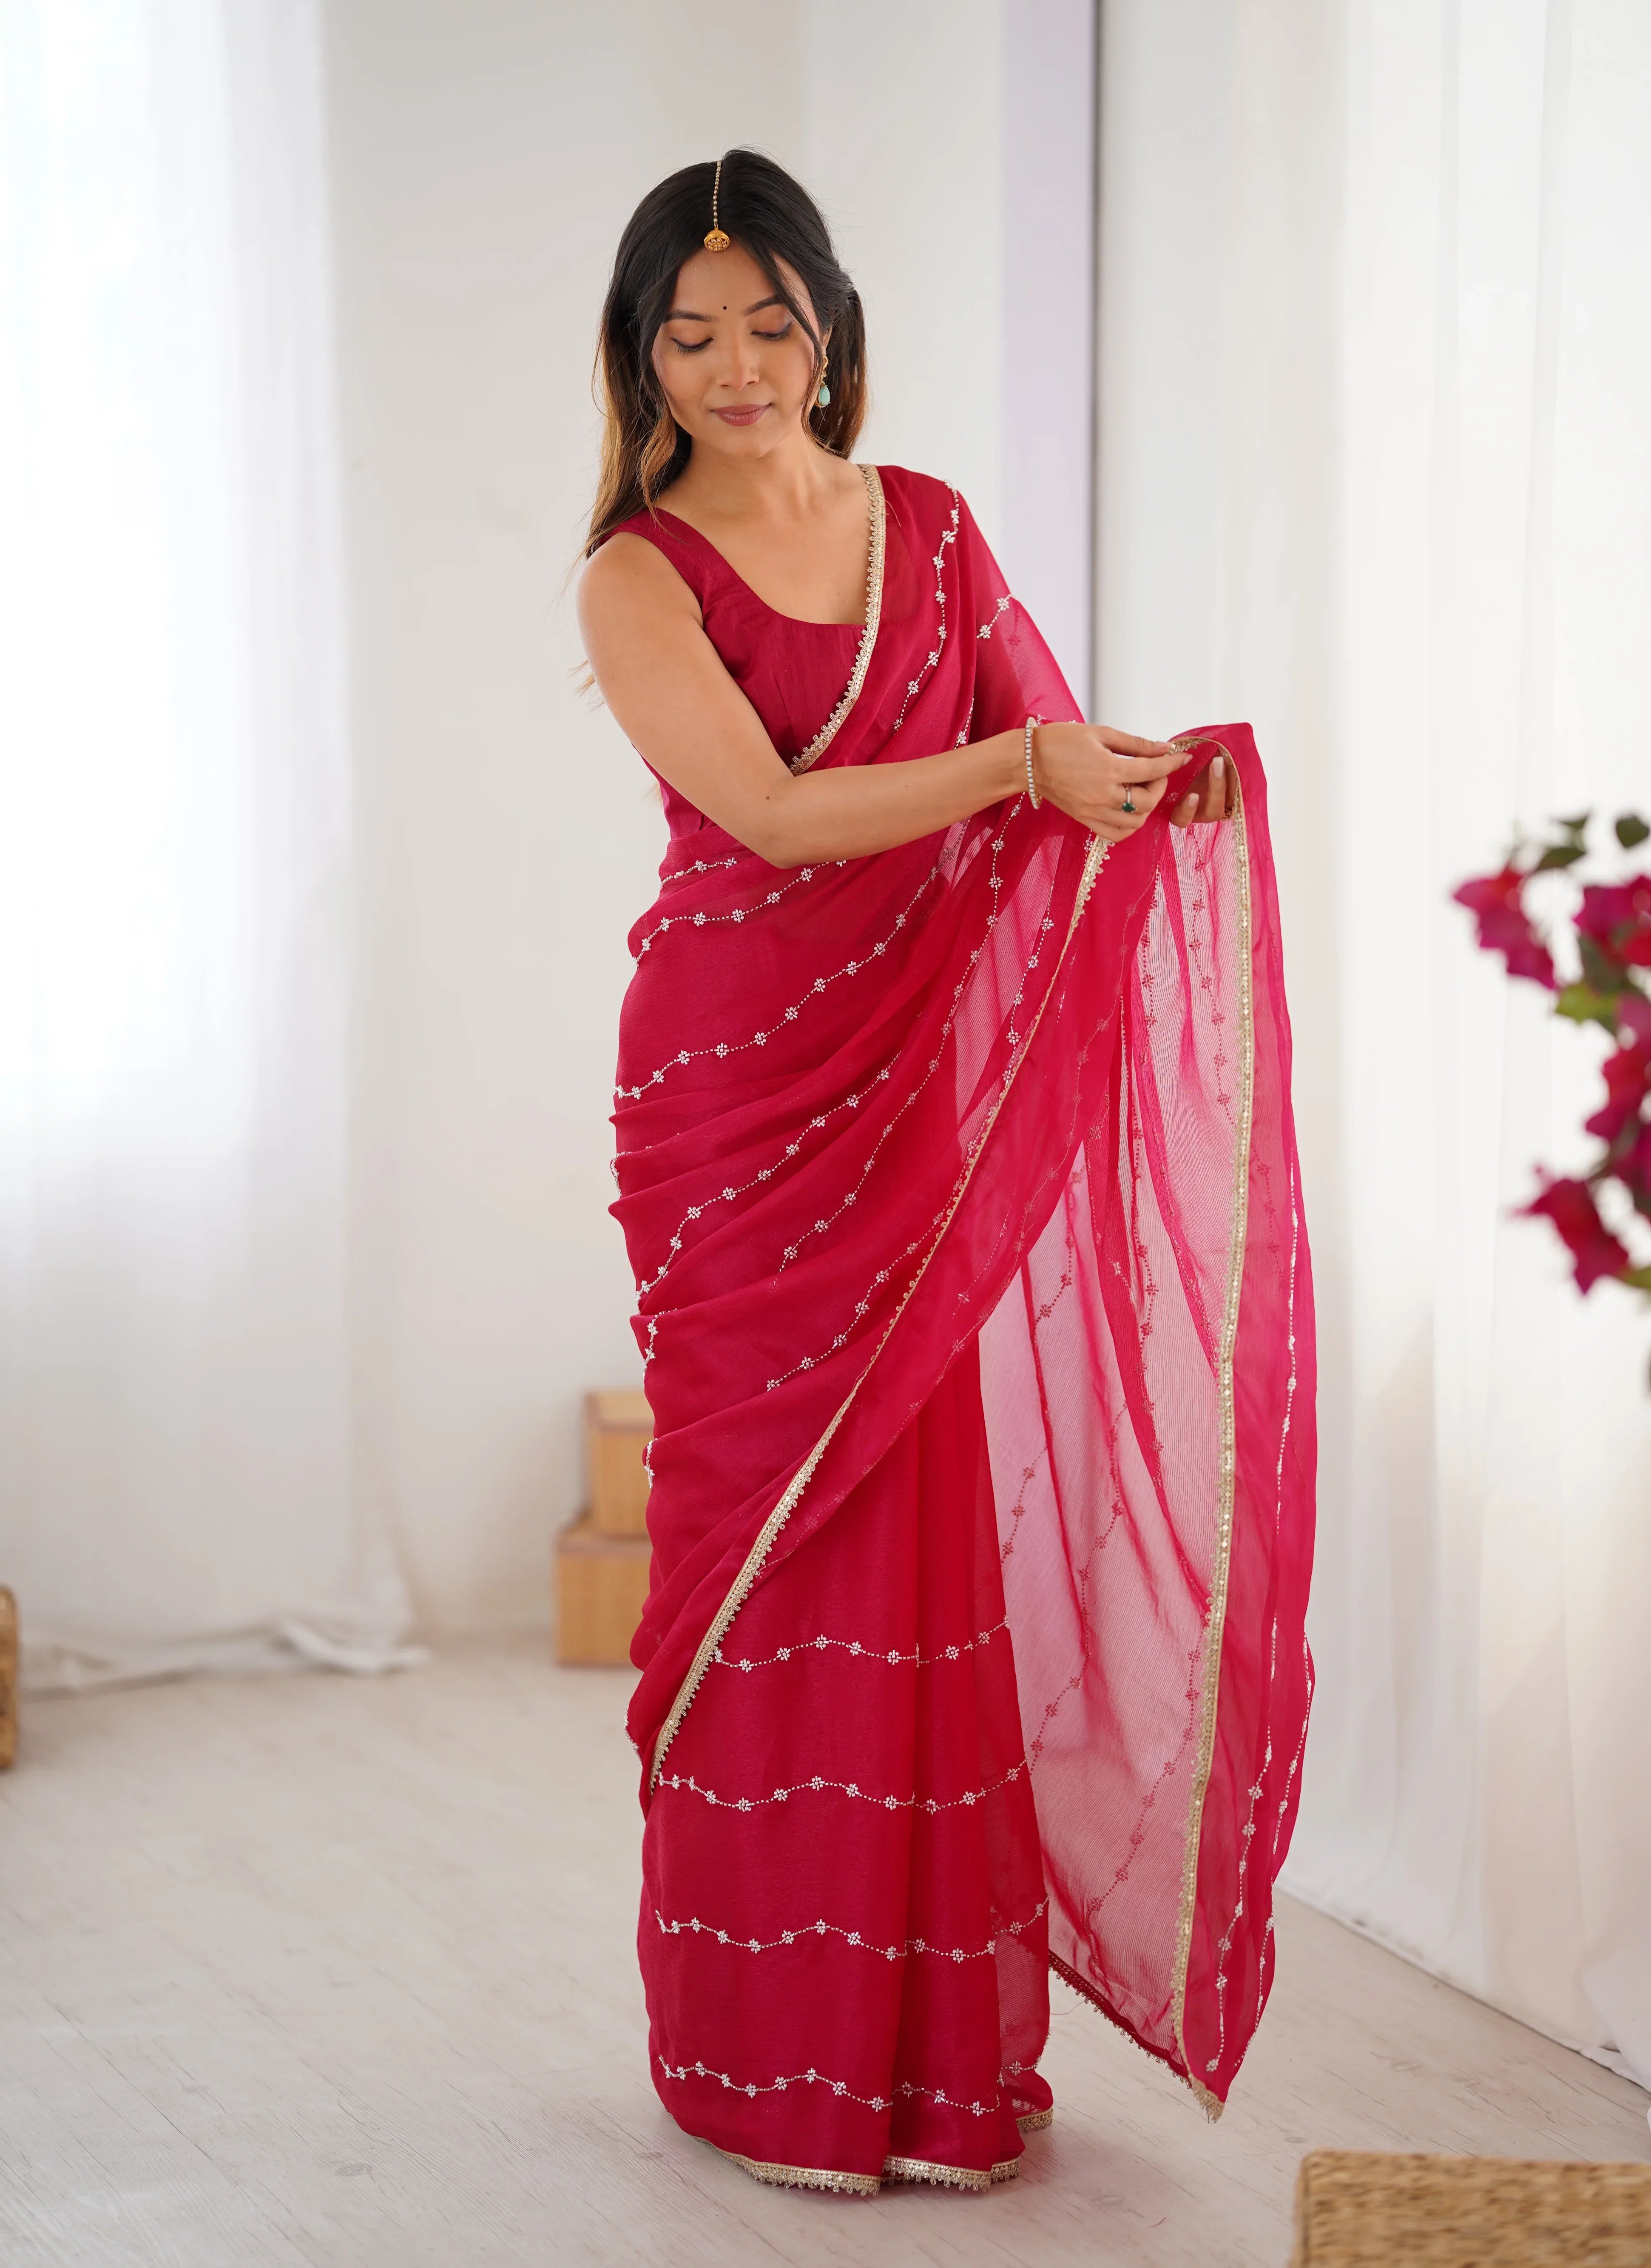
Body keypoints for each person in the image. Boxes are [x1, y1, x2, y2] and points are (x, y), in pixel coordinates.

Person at [576, 148, 1316, 2197]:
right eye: (690, 332)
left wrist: (1159, 783)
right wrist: (1018, 770)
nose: (736, 366)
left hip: (903, 1094)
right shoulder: (634, 572)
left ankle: (920, 2061)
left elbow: (1056, 756)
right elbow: (784, 817)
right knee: (769, 1546)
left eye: (770, 320)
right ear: (644, 356)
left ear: (831, 320)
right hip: (736, 1104)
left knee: (909, 1525)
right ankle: (762, 2056)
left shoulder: (930, 528)